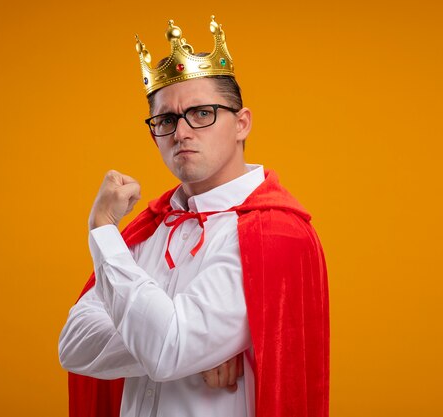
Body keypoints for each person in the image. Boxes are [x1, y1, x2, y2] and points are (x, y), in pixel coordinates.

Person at [59, 16, 329, 417]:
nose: (181, 132)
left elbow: (169, 347)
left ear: (241, 124)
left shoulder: (271, 234)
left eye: (201, 113)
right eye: (166, 120)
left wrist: (102, 230)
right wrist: (192, 350)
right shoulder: (147, 231)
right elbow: (73, 344)